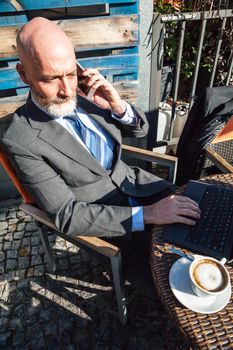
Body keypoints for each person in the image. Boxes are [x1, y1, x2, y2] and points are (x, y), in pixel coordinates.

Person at [1, 18, 200, 291]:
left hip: (140, 186)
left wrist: (117, 105)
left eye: (70, 74)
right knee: (176, 284)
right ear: (24, 75)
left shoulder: (86, 94)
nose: (67, 90)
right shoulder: (21, 139)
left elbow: (140, 131)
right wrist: (150, 214)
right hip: (113, 226)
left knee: (207, 230)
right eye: (50, 79)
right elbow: (67, 215)